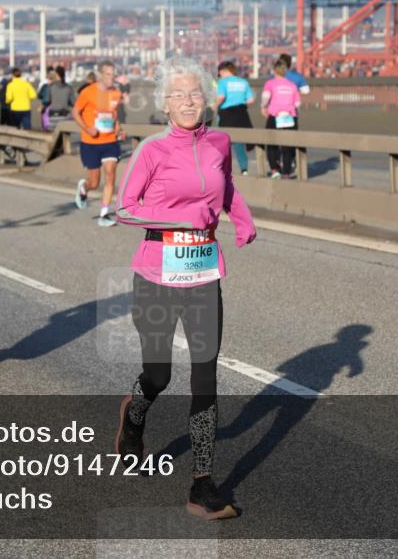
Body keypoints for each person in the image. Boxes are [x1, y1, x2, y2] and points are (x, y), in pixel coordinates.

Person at [114, 56, 256, 520]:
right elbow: (125, 209)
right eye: (179, 95)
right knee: (158, 375)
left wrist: (243, 219)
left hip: (203, 273)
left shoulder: (220, 141)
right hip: (156, 274)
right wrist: (178, 218)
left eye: (195, 93)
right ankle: (134, 418)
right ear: (165, 104)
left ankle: (202, 483)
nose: (189, 101)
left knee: (205, 375)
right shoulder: (152, 150)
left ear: (207, 98)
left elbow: (226, 185)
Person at [71, 60, 125, 226]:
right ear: (100, 75)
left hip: (110, 141)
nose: (111, 77)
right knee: (94, 182)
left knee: (110, 176)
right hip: (91, 142)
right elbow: (75, 112)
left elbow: (113, 115)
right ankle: (84, 188)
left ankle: (104, 214)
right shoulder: (88, 92)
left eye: (113, 75)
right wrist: (88, 129)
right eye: (108, 74)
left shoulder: (116, 93)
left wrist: (119, 129)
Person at [261, 60, 301, 179]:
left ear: (274, 70)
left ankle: (275, 169)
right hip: (289, 116)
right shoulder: (292, 85)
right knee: (287, 145)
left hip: (275, 115)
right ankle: (287, 172)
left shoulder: (270, 83)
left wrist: (263, 107)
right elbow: (298, 103)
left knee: (271, 143)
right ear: (285, 71)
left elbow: (265, 97)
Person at [215, 61, 255, 175]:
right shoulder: (243, 82)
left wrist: (214, 107)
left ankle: (223, 168)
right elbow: (251, 99)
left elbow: (221, 97)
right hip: (242, 112)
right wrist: (240, 103)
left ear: (222, 71)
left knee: (223, 141)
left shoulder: (222, 82)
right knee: (239, 142)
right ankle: (244, 169)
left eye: (219, 73)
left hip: (227, 113)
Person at [44, 66, 75, 131]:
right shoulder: (69, 87)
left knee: (53, 133)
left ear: (57, 75)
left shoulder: (51, 86)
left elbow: (47, 100)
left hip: (53, 117)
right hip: (65, 117)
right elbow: (73, 102)